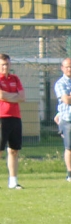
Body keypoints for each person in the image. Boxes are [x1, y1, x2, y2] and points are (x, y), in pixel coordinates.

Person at [0, 53, 25, 190]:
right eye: (3, 64)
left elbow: (22, 97)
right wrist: (14, 96)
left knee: (14, 150)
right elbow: (1, 95)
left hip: (15, 117)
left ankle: (13, 181)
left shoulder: (15, 78)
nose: (5, 67)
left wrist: (8, 96)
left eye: (7, 64)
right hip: (2, 117)